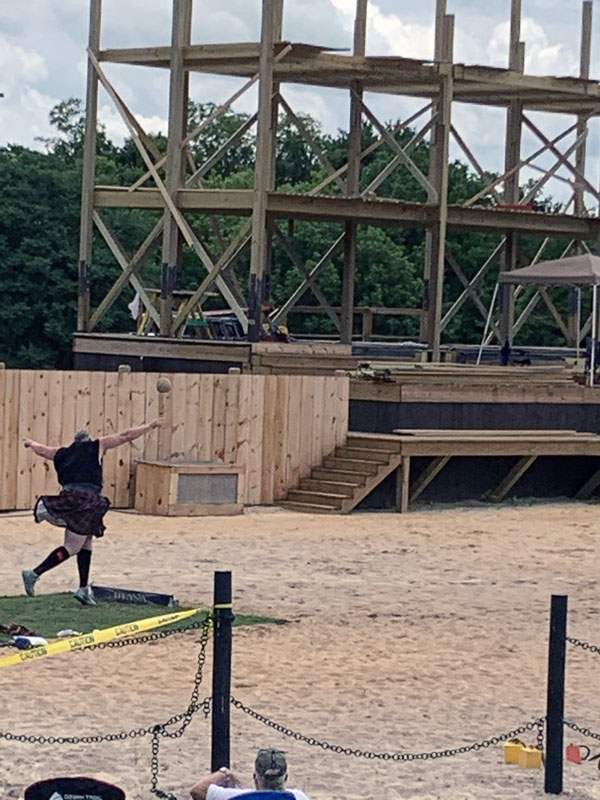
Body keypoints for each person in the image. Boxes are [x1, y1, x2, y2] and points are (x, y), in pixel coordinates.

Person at [21, 419, 163, 605]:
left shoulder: (61, 453)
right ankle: (34, 573)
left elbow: (42, 450)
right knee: (72, 547)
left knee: (86, 543)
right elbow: (125, 436)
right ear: (88, 440)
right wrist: (149, 427)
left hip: (70, 498)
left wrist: (31, 444)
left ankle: (82, 588)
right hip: (86, 501)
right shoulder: (97, 446)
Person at [189, 748, 309, 800]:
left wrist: (225, 773)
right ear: (285, 778)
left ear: (256, 779)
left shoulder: (235, 796)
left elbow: (197, 791)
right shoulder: (298, 796)